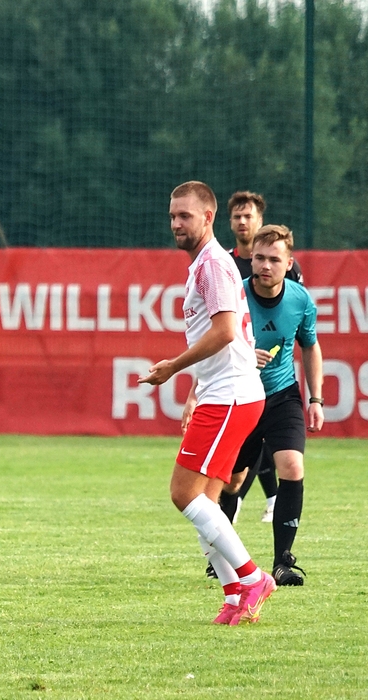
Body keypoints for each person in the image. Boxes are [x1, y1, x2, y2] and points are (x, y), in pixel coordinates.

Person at [139, 181, 274, 626]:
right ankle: (234, 596)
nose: (176, 223)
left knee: (184, 494)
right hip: (228, 393)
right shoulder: (204, 263)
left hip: (231, 395)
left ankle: (253, 578)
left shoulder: (213, 263)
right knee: (208, 504)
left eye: (185, 216)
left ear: (208, 217)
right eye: (172, 216)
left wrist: (173, 368)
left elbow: (225, 331)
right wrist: (195, 390)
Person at [216, 225, 322, 586]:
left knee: (292, 466)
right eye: (259, 258)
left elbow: (310, 346)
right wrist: (245, 355)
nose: (265, 265)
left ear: (288, 263)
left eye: (274, 259)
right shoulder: (234, 296)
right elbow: (213, 344)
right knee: (232, 482)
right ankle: (223, 556)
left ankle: (282, 562)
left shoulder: (300, 299)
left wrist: (316, 398)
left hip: (282, 396)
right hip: (242, 395)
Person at [225, 191, 306, 523]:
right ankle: (238, 503)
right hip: (237, 382)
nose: (242, 222)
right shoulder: (226, 267)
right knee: (234, 471)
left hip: (276, 383)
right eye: (237, 217)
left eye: (249, 216)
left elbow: (297, 320)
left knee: (282, 451)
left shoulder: (288, 273)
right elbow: (216, 333)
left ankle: (271, 502)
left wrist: (314, 396)